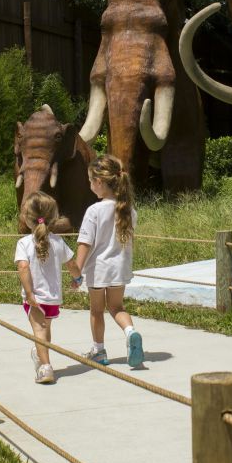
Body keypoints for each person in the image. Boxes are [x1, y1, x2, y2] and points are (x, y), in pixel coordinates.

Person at [74, 154, 144, 368]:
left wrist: (76, 272)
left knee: (97, 311)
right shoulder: (129, 210)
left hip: (98, 270)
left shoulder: (94, 210)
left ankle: (99, 350)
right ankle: (130, 332)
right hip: (120, 268)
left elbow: (85, 243)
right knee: (117, 307)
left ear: (99, 182)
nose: (89, 185)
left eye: (90, 180)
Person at [15, 191, 80, 384]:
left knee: (39, 330)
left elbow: (23, 267)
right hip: (53, 298)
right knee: (45, 329)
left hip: (35, 298)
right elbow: (72, 264)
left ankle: (46, 367)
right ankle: (41, 353)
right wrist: (77, 278)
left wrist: (29, 292)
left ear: (27, 219)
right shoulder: (58, 241)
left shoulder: (24, 243)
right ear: (53, 218)